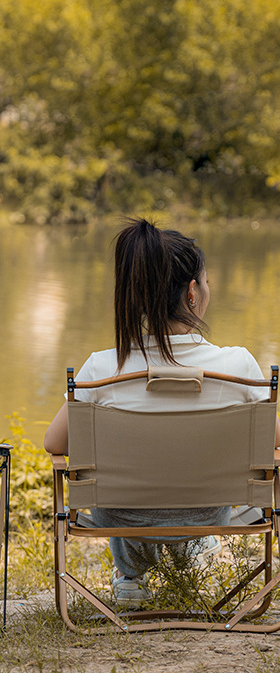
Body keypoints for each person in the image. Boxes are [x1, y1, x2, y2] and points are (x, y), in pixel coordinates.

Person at [44, 218, 280, 605]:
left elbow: (54, 443)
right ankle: (194, 550)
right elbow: (275, 443)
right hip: (207, 514)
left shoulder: (102, 370)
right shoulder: (238, 366)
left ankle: (131, 577)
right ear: (191, 292)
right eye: (205, 283)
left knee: (126, 493)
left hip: (121, 517)